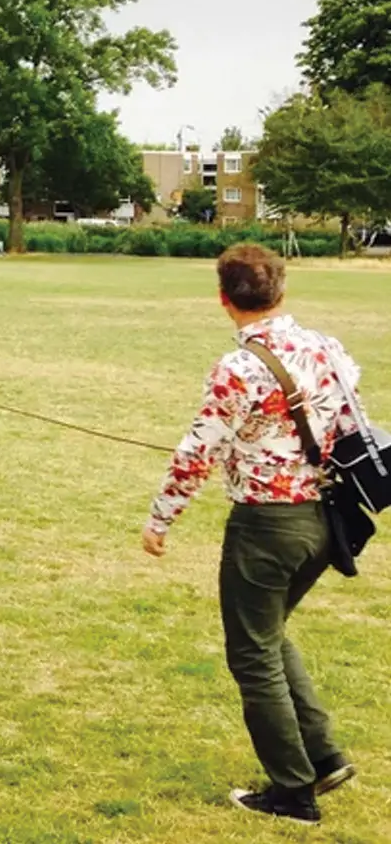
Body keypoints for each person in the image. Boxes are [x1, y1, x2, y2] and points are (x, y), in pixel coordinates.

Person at [142, 243, 364, 826]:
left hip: (266, 526)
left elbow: (196, 453)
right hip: (323, 521)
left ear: (224, 298)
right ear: (280, 290)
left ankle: (293, 791)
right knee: (267, 634)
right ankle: (324, 756)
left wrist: (161, 518)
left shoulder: (237, 368)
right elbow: (347, 427)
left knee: (251, 652)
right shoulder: (327, 348)